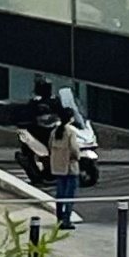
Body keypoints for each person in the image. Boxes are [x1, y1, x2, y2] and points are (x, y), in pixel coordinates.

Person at [44, 99, 83, 231]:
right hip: (70, 167)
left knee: (60, 195)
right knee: (69, 196)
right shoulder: (70, 132)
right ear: (71, 118)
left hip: (58, 168)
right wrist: (77, 157)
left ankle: (59, 219)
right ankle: (66, 221)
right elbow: (74, 149)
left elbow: (50, 146)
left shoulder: (55, 131)